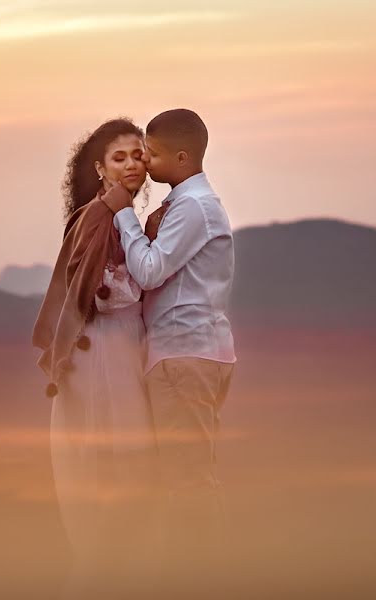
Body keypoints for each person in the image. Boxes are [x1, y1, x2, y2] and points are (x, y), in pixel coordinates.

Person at [99, 108, 236, 575]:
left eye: (153, 155)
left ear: (181, 157)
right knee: (192, 475)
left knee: (188, 480)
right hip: (193, 352)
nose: (146, 164)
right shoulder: (185, 204)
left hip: (183, 354)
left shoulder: (195, 206)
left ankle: (199, 576)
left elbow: (151, 270)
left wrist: (123, 216)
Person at [32, 117, 162, 598]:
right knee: (125, 466)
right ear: (100, 167)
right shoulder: (100, 216)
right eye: (120, 157)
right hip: (106, 350)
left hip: (123, 345)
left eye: (138, 154)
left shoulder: (119, 212)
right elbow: (104, 294)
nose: (132, 164)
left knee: (129, 469)